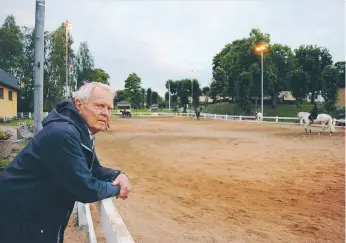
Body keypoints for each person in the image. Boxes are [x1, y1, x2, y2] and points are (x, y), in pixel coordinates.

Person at [0, 82, 130, 243]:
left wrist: (119, 174)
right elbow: (85, 188)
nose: (105, 113)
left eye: (109, 108)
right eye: (99, 106)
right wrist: (117, 189)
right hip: (21, 215)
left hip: (36, 212)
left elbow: (94, 168)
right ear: (79, 105)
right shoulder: (64, 134)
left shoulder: (80, 130)